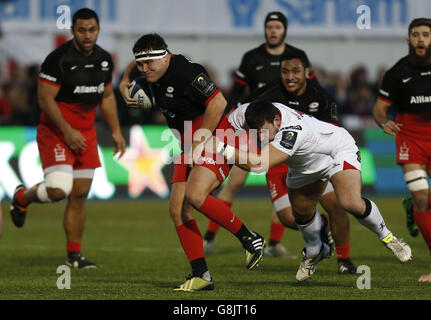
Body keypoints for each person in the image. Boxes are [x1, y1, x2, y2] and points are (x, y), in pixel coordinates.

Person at [118, 33, 265, 292]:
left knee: (195, 196)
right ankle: (202, 275)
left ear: (166, 57)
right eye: (140, 64)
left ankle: (250, 238)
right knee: (178, 210)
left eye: (149, 63)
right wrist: (125, 80)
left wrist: (200, 143)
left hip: (214, 135)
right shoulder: (151, 69)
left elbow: (218, 102)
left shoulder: (185, 72)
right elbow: (138, 63)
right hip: (188, 141)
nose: (144, 69)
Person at [211, 100, 412, 281]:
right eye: (256, 132)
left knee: (350, 202)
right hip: (303, 165)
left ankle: (388, 237)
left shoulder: (291, 130)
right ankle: (316, 251)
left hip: (335, 151)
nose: (260, 137)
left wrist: (219, 147)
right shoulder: (247, 113)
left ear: (276, 121)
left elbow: (258, 165)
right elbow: (228, 125)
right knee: (301, 213)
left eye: (264, 132)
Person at [9, 8, 126, 268]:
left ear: (98, 30)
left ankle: (74, 255)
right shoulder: (58, 60)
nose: (87, 35)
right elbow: (45, 99)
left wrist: (116, 130)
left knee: (80, 195)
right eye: (82, 30)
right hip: (56, 132)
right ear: (72, 30)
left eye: (92, 30)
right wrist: (67, 130)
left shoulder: (105, 60)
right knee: (59, 190)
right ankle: (21, 199)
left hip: (85, 134)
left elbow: (107, 97)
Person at [203, 11, 316, 259]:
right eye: (269, 27)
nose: (273, 31)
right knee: (234, 182)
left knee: (285, 184)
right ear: (265, 30)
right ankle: (209, 238)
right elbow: (237, 92)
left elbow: (312, 90)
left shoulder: (297, 57)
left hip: (285, 128)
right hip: (252, 126)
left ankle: (275, 244)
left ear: (284, 29)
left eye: (277, 27)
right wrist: (229, 116)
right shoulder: (252, 58)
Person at [240, 50, 357, 274]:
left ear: (307, 72)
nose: (290, 77)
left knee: (336, 205)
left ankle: (344, 260)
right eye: (285, 72)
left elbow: (334, 133)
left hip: (313, 160)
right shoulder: (266, 95)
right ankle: (320, 228)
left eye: (295, 71)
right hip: (277, 160)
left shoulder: (321, 98)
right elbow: (242, 113)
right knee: (289, 218)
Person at [372, 17, 431, 283]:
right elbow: (379, 109)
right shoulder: (396, 73)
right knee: (422, 198)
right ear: (408, 40)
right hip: (411, 139)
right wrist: (383, 122)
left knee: (424, 201)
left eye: (426, 35)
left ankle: (414, 209)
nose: (421, 39)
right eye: (416, 35)